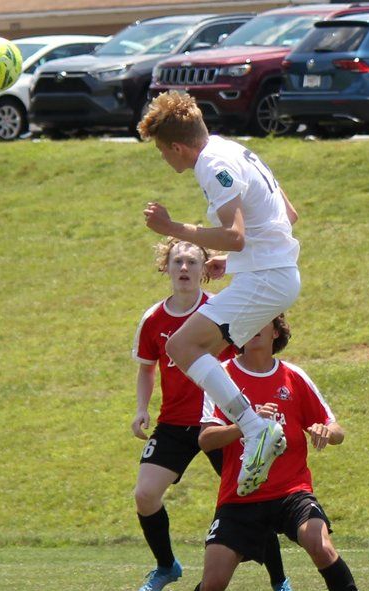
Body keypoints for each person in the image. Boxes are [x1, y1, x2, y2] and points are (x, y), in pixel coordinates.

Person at [145, 316, 369, 591]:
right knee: (213, 582)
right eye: (246, 321)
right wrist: (247, 422)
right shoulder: (222, 376)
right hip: (241, 496)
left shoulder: (293, 376)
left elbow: (336, 429)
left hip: (291, 490)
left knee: (319, 544)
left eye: (262, 320)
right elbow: (205, 438)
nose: (252, 326)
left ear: (276, 331)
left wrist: (325, 430)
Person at [138, 91, 301, 498]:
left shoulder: (212, 165)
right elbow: (288, 216)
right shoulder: (234, 149)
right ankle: (254, 428)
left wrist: (172, 228)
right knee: (189, 347)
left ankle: (254, 428)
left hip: (269, 280)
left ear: (177, 146)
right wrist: (232, 264)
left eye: (162, 151)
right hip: (269, 274)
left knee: (181, 346)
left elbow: (235, 235)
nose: (164, 158)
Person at [131, 238, 300, 591]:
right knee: (145, 495)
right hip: (174, 424)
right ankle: (166, 566)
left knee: (253, 499)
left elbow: (250, 354)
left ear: (206, 267)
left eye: (193, 261)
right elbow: (146, 368)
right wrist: (141, 409)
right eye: (178, 261)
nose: (185, 268)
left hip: (222, 421)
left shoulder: (219, 310)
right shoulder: (153, 319)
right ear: (167, 268)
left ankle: (280, 583)